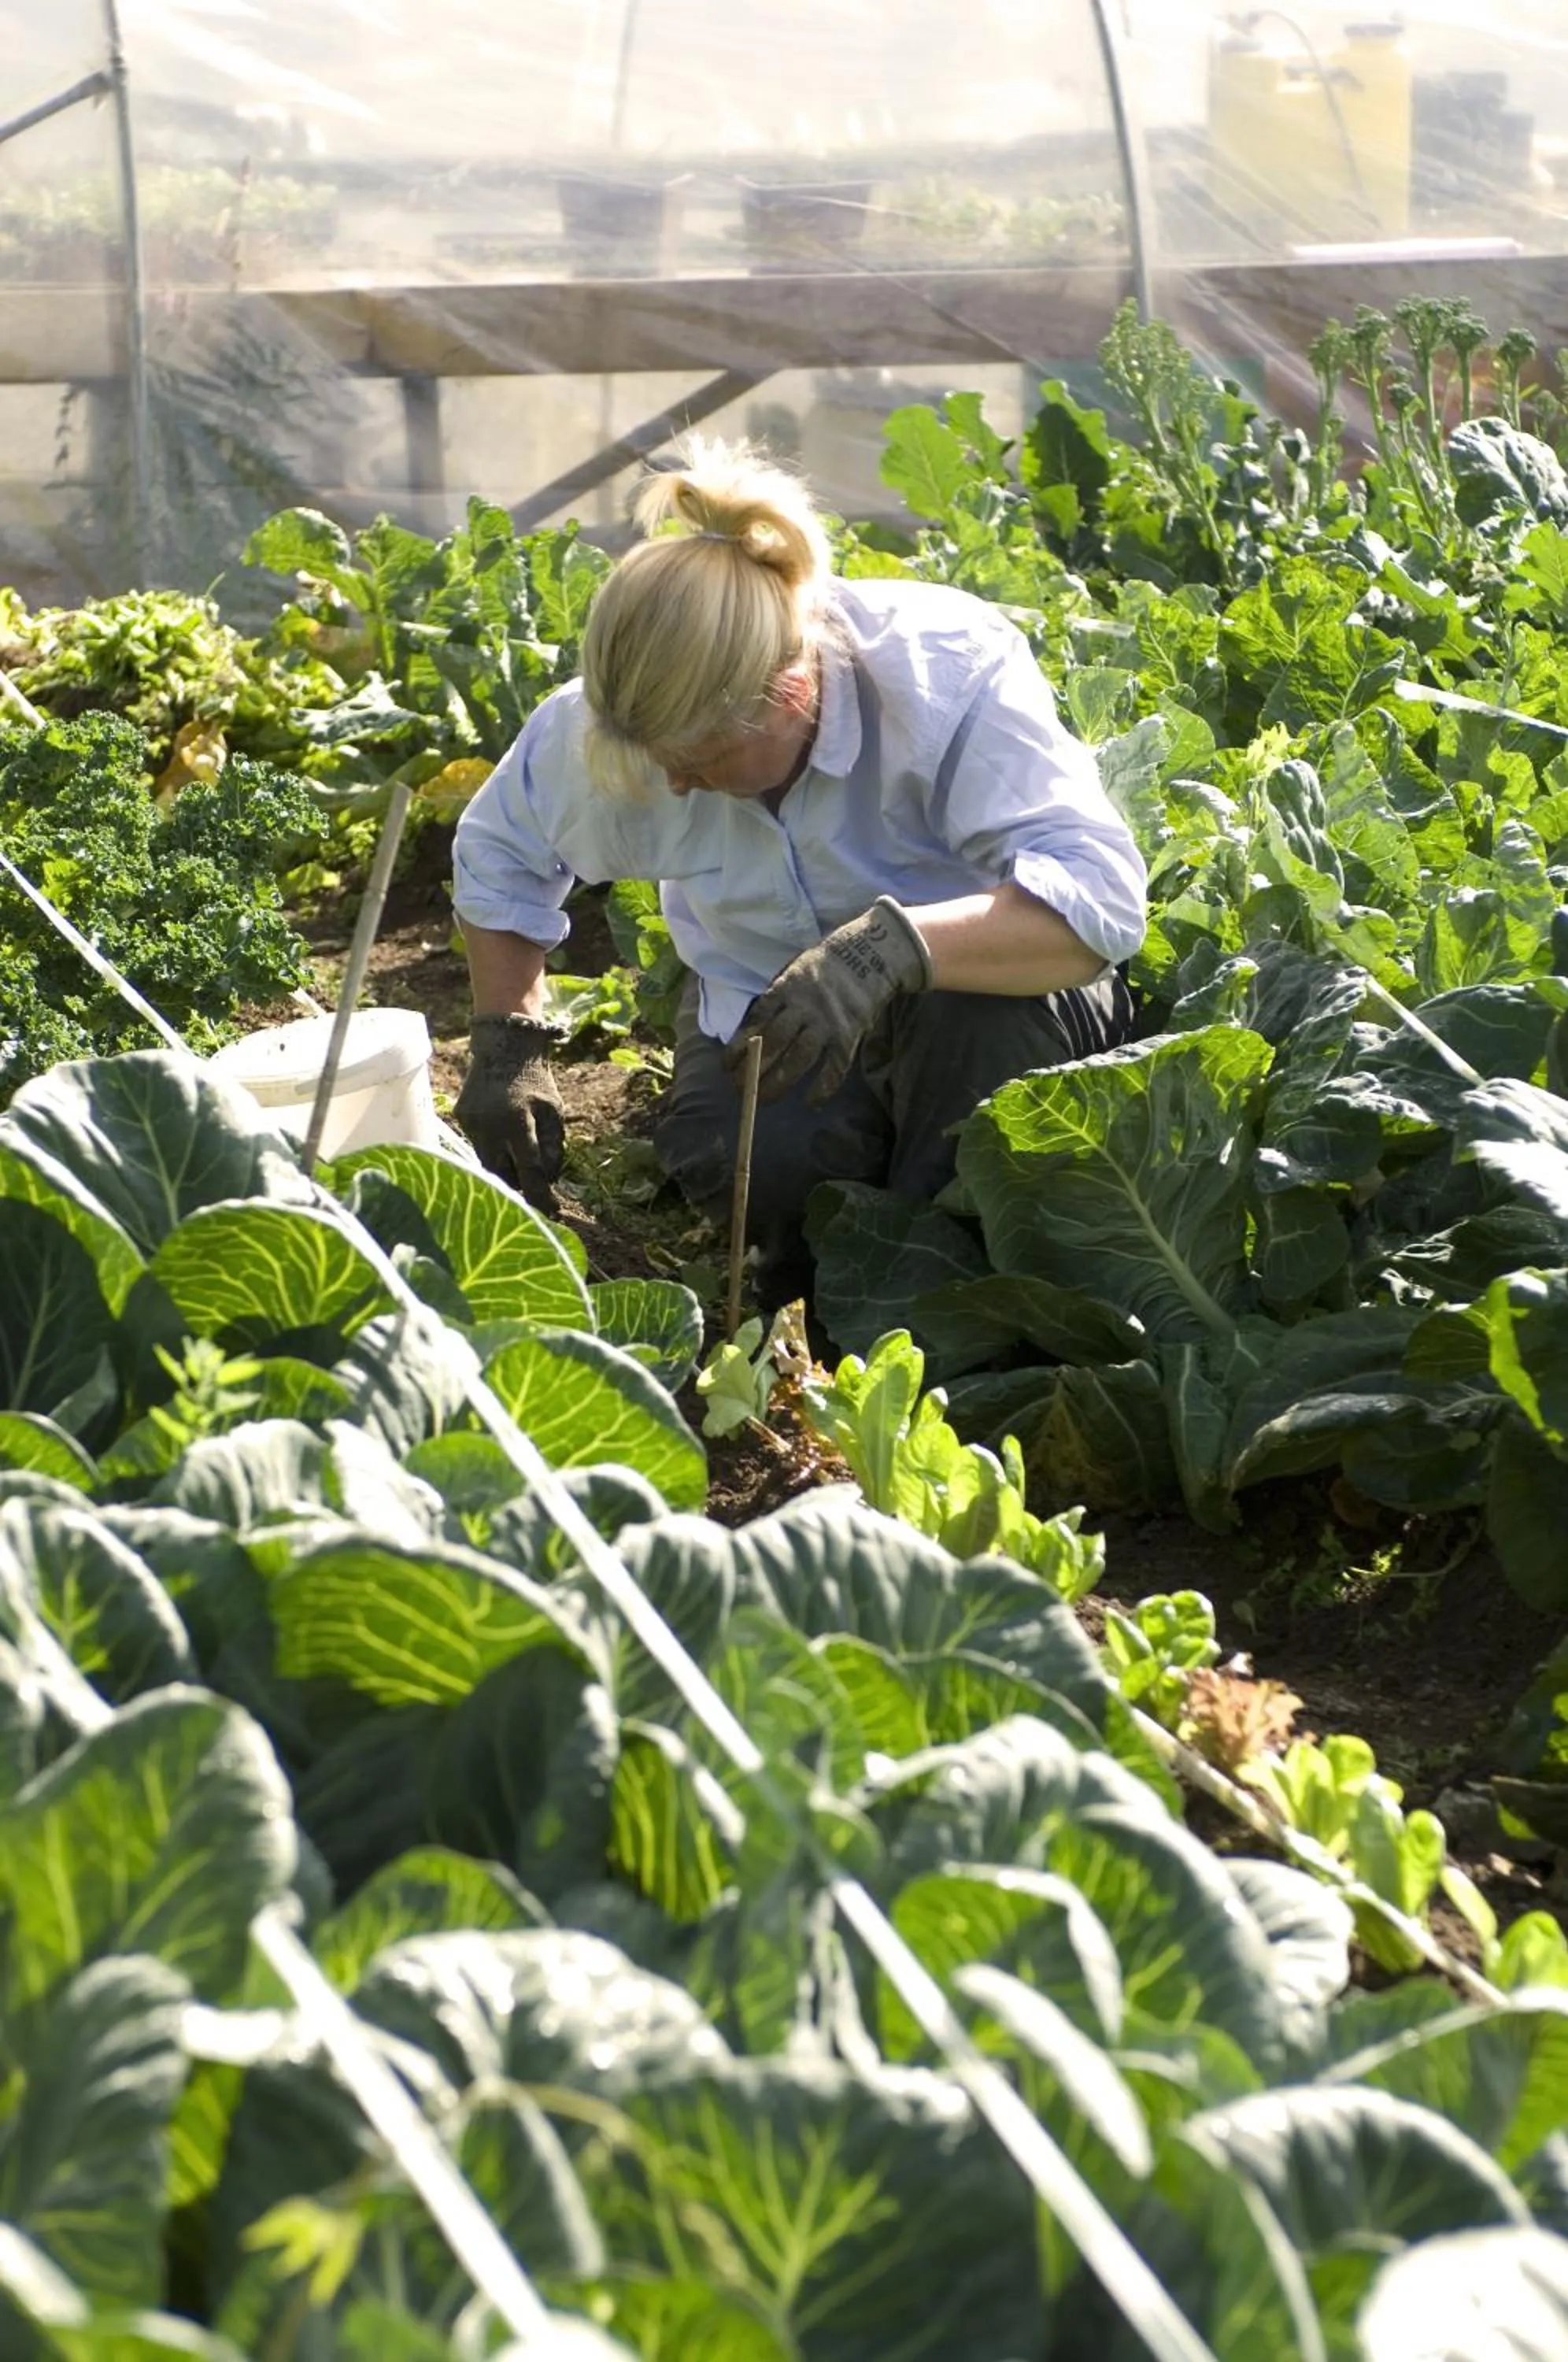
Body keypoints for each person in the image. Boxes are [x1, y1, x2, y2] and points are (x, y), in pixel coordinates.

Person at [452, 435, 1145, 1305]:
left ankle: (975, 1303)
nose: (675, 784)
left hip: (987, 995)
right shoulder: (609, 720)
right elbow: (500, 855)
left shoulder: (945, 672)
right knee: (764, 1180)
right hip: (763, 990)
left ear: (790, 696)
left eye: (700, 758)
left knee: (977, 1167)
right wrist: (508, 1039)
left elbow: (1099, 901)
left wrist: (889, 950)